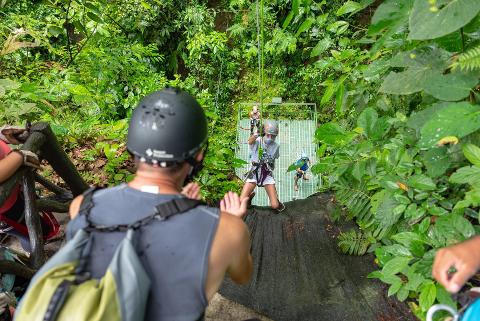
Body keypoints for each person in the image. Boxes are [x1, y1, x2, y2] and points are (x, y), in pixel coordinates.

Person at [66, 87, 253, 320]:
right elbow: (242, 276)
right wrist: (230, 223)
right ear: (198, 156)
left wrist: (178, 205)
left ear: (131, 150)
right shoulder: (228, 230)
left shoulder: (82, 206)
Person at [0, 126, 60, 249]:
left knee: (36, 213)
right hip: (7, 207)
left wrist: (2, 135)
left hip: (15, 190)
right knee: (34, 232)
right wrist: (19, 156)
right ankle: (41, 250)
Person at [240, 120, 284, 211]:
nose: (270, 138)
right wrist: (256, 133)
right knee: (241, 201)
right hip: (254, 172)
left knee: (275, 206)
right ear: (264, 133)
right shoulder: (258, 140)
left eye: (273, 136)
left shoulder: (276, 146)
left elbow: (274, 159)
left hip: (267, 174)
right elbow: (250, 141)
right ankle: (249, 199)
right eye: (268, 135)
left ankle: (276, 200)